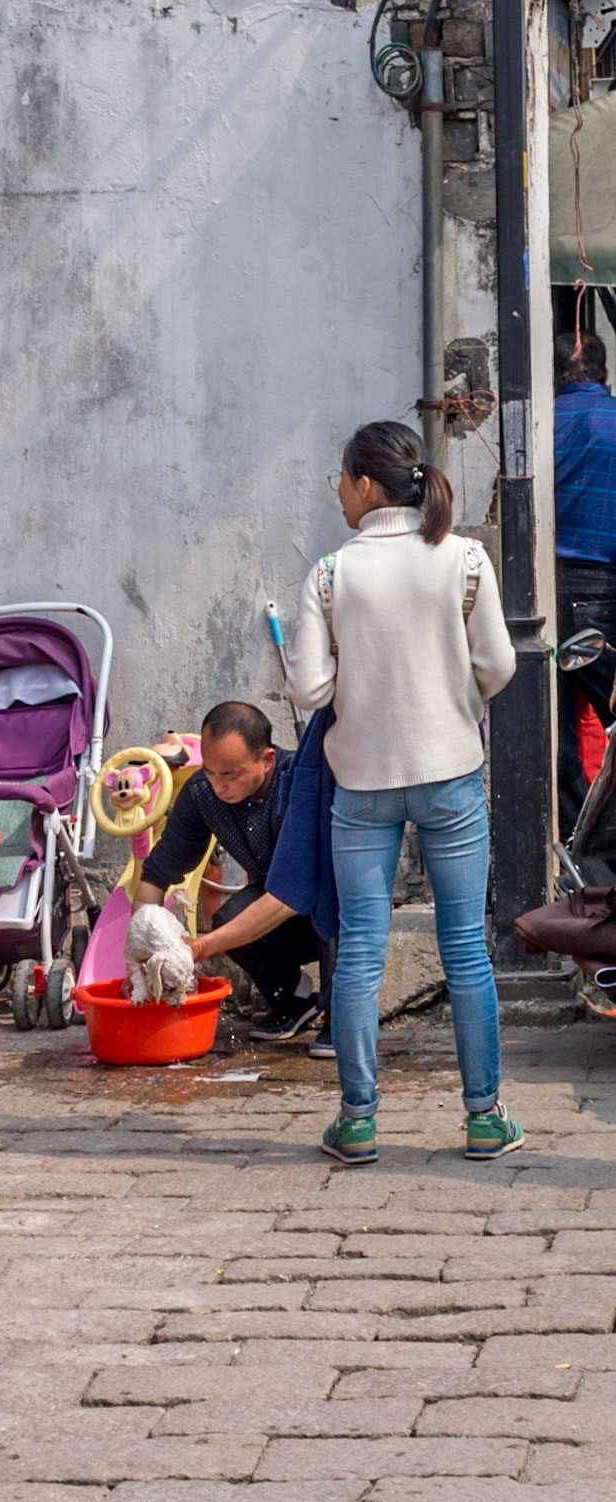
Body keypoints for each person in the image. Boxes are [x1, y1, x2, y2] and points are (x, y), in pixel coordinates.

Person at [286, 420, 518, 1165]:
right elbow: (500, 665)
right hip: (450, 772)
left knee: (360, 951)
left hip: (361, 783)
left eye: (340, 480)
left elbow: (308, 686)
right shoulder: (466, 559)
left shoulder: (328, 574)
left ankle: (357, 1121)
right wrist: (455, 697)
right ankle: (484, 1117)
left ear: (361, 482)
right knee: (465, 952)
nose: (339, 494)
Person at [134, 701, 332, 1052]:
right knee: (227, 916)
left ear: (267, 759)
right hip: (272, 906)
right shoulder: (202, 793)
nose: (219, 785)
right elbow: (156, 873)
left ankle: (340, 1016)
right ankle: (295, 1001)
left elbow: (291, 895)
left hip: (324, 903)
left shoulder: (298, 784)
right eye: (211, 772)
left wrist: (198, 948)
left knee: (336, 910)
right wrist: (137, 951)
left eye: (231, 775)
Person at [553, 330, 616, 835]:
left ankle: (576, 845)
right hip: (605, 589)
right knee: (612, 719)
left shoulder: (536, 424)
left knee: (558, 735)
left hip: (544, 591)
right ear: (605, 373)